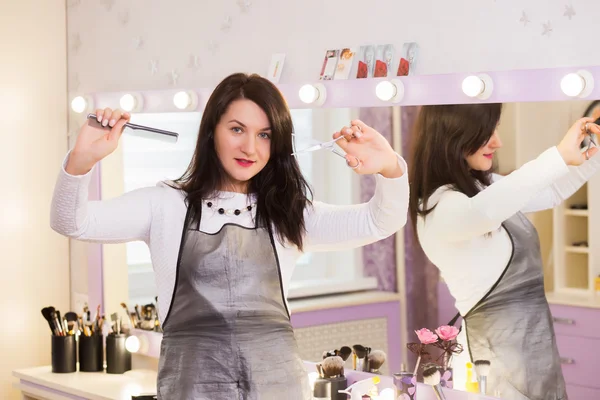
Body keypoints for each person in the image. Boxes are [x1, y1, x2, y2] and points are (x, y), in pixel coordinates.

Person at [50, 73, 409, 399]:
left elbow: (379, 222)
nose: (250, 148)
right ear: (211, 132)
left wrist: (390, 167)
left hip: (277, 386)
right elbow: (72, 221)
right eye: (237, 129)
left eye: (264, 134)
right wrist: (82, 159)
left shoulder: (289, 214)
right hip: (191, 387)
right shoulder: (165, 205)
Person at [408, 103, 600, 400]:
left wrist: (594, 148)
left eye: (496, 129)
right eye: (487, 133)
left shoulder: (479, 187)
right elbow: (483, 213)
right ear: (453, 136)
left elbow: (550, 191)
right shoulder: (437, 207)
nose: (498, 142)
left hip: (537, 355)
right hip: (490, 364)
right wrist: (559, 155)